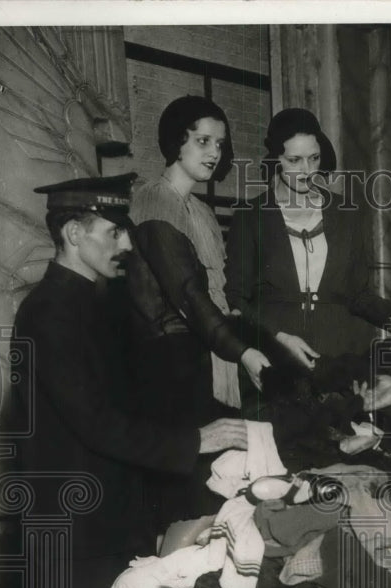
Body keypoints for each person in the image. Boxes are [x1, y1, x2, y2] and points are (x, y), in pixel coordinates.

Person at [6, 174, 249, 588]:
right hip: (66, 520)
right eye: (112, 232)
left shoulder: (99, 305)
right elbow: (94, 421)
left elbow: (139, 398)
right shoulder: (49, 313)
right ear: (73, 233)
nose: (123, 244)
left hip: (107, 511)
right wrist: (188, 445)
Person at [126, 95, 270, 534]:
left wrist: (271, 341)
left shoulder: (203, 212)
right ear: (176, 142)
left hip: (201, 361)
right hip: (167, 368)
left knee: (209, 497)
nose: (214, 152)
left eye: (220, 144)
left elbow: (221, 299)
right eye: (203, 140)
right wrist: (242, 352)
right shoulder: (153, 202)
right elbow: (189, 294)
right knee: (181, 503)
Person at [225, 107, 391, 370]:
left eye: (314, 158)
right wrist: (277, 336)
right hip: (276, 360)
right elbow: (236, 298)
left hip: (338, 358)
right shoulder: (250, 217)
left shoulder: (345, 213)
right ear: (275, 159)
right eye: (294, 160)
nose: (307, 170)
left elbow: (357, 295)